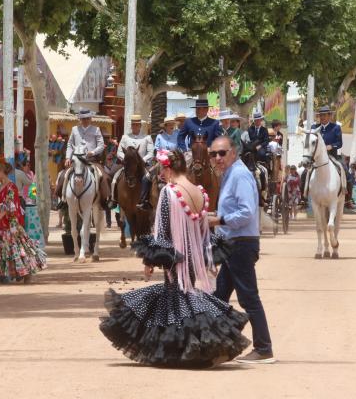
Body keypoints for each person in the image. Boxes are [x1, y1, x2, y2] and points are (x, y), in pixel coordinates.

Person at [100, 148, 250, 367]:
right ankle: (189, 346)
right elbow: (203, 228)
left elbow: (161, 231)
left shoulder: (169, 192)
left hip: (174, 256)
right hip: (192, 254)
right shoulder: (201, 192)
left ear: (169, 168)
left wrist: (150, 260)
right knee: (184, 295)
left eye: (162, 168)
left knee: (176, 298)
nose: (160, 173)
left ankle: (181, 349)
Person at [208, 136, 275, 363]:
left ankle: (264, 349)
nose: (217, 158)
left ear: (233, 153)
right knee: (218, 298)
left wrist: (219, 221)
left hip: (241, 244)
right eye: (213, 154)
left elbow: (247, 212)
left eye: (222, 153)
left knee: (248, 298)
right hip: (232, 244)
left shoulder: (239, 175)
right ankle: (217, 345)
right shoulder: (228, 175)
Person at [0, 161, 47, 283]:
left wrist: (0, 216)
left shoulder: (11, 187)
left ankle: (27, 274)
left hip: (11, 225)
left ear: (1, 172)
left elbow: (9, 205)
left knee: (18, 249)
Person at [55, 108, 108, 209]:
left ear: (90, 118)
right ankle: (63, 199)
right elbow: (70, 144)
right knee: (63, 176)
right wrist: (67, 158)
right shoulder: (75, 129)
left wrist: (93, 152)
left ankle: (104, 201)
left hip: (91, 160)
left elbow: (101, 145)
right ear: (80, 119)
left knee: (104, 177)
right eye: (83, 119)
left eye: (87, 118)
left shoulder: (96, 129)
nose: (85, 120)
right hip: (77, 160)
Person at [113, 115, 155, 210]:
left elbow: (151, 153)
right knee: (114, 178)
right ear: (131, 126)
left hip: (143, 165)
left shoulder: (147, 137)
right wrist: (126, 160)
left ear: (140, 126)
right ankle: (113, 199)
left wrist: (141, 161)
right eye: (133, 125)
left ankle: (148, 201)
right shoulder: (125, 137)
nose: (135, 126)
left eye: (137, 125)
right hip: (128, 166)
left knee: (151, 180)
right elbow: (119, 151)